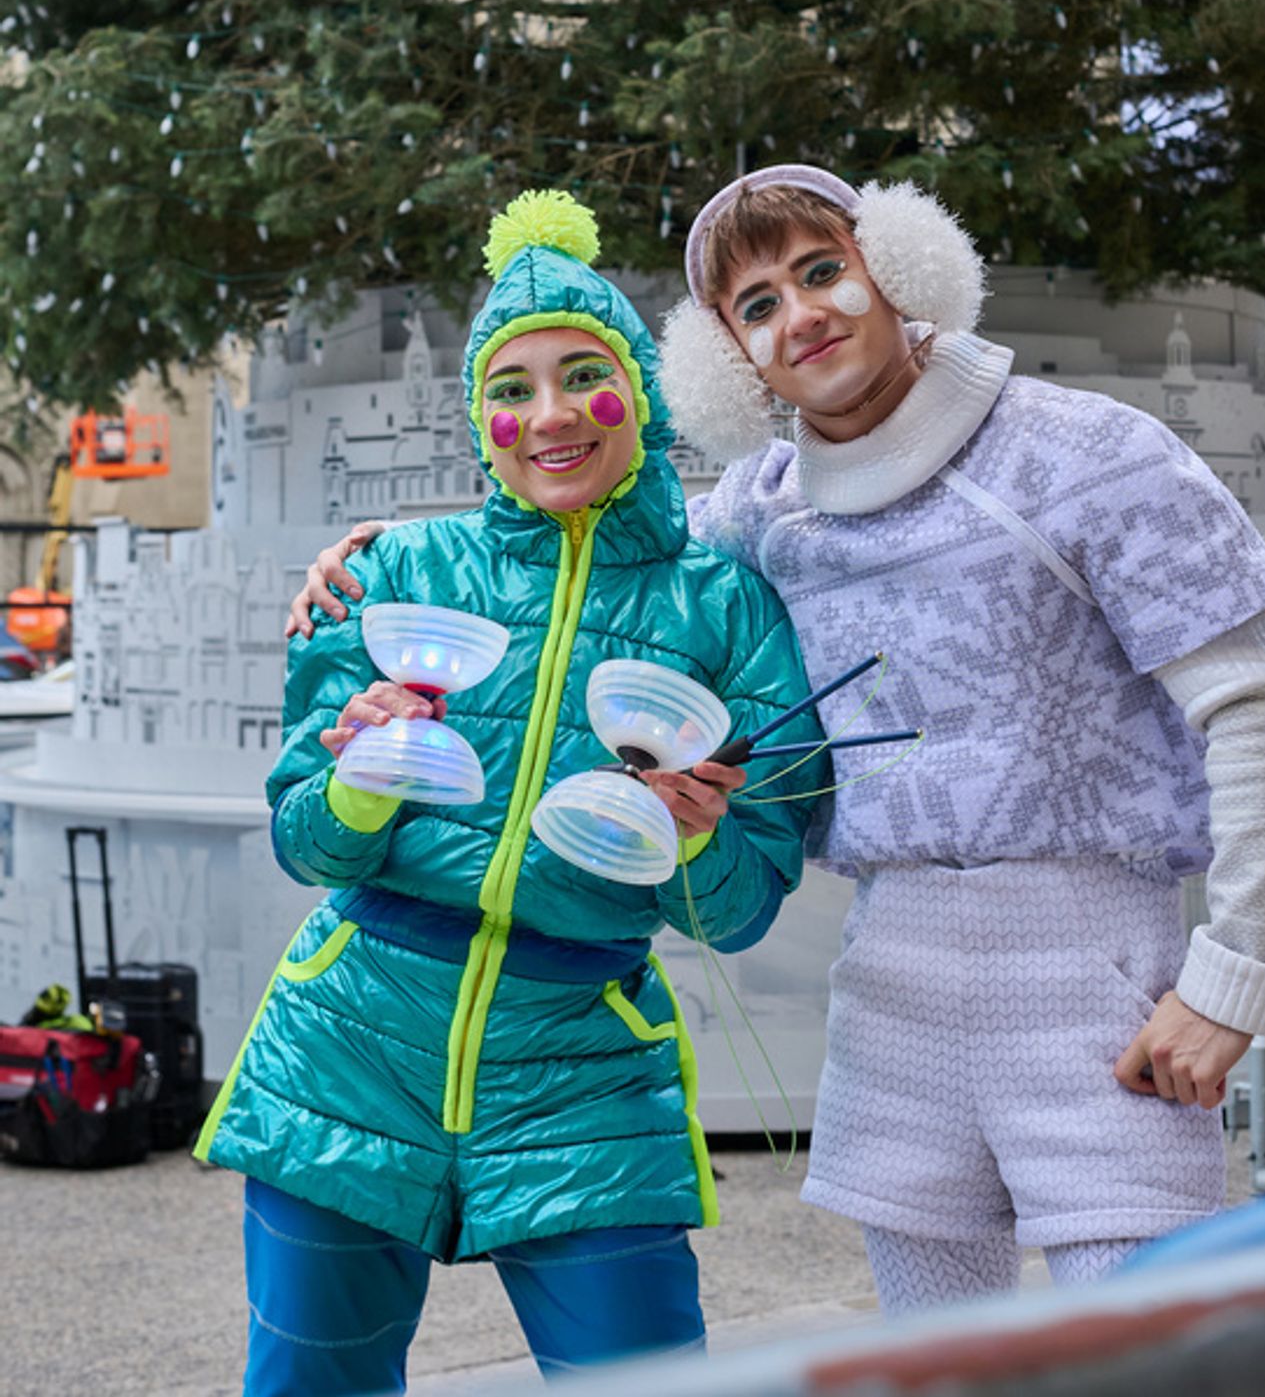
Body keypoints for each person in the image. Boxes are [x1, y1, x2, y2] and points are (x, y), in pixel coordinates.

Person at [290, 165, 1265, 1314]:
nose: (801, 314)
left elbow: (1259, 710)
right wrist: (392, 554)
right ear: (730, 355)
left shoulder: (1091, 451)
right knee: (934, 1363)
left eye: (822, 270)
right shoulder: (758, 511)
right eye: (757, 304)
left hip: (1093, 962)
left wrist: (1233, 978)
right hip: (893, 977)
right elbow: (598, 542)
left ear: (897, 264)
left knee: (1142, 1347)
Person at [203, 189, 825, 1394]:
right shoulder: (390, 572)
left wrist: (697, 836)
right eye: (510, 386)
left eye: (584, 376)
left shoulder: (726, 607)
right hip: (345, 1047)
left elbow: (740, 907)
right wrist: (362, 777)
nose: (548, 414)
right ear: (476, 416)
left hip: (585, 1065)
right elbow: (308, 845)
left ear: (640, 393)